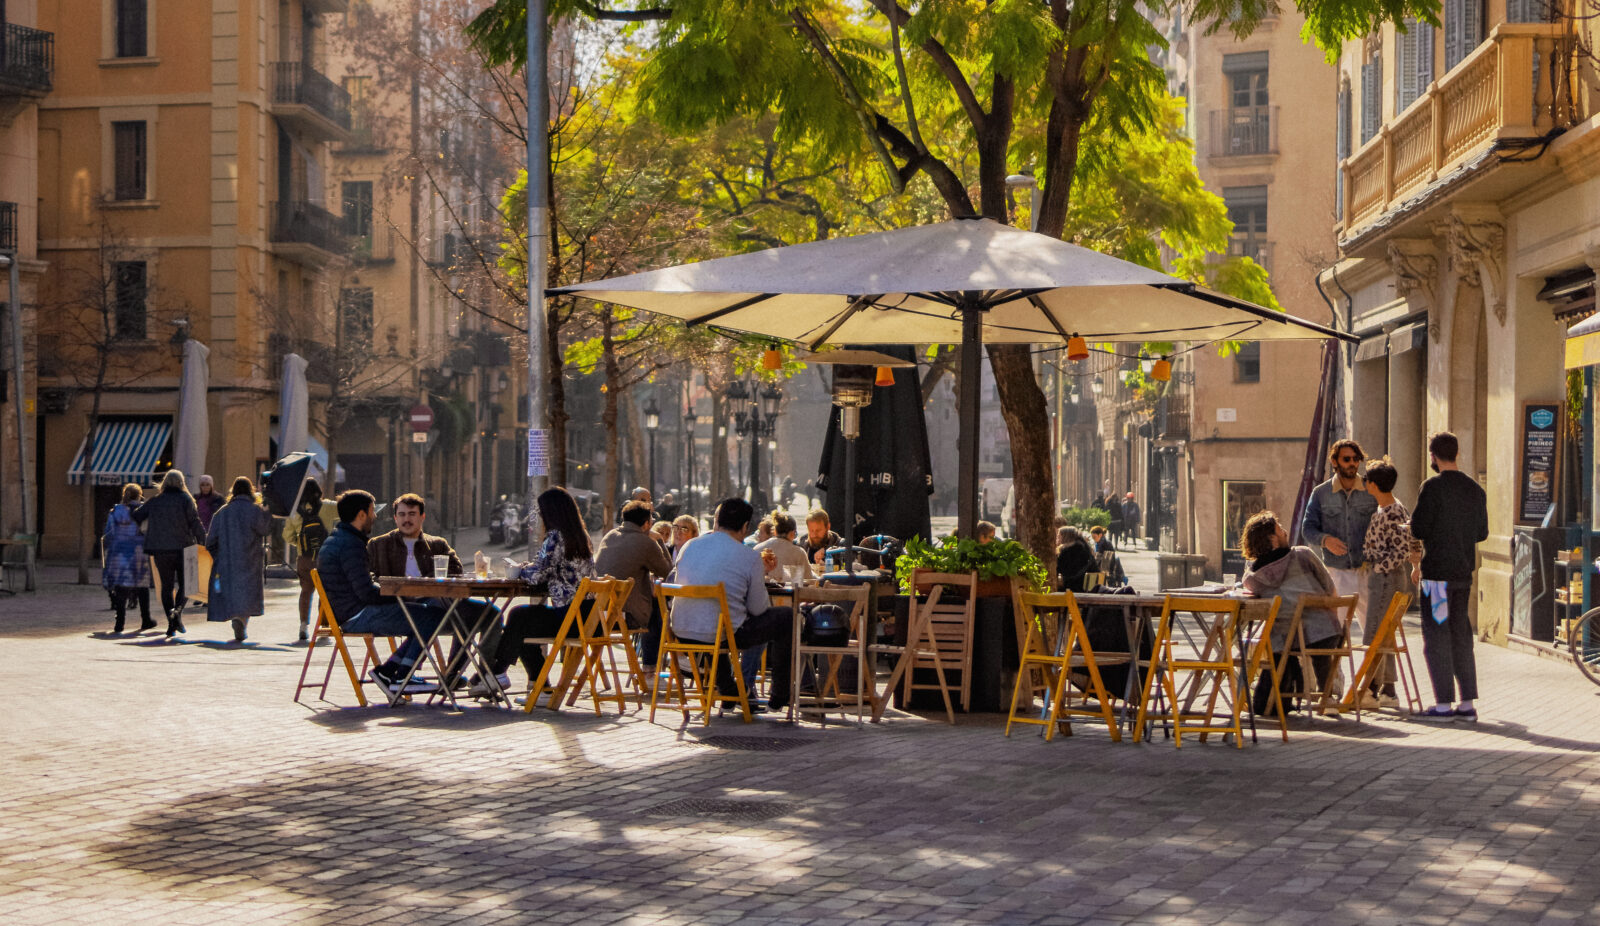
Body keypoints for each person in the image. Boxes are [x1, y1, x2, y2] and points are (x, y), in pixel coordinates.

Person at [317, 490, 449, 695]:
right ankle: (403, 676)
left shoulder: (337, 539)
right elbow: (366, 593)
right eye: (372, 511)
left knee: (424, 614)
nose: (375, 516)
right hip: (356, 616)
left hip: (345, 613)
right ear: (361, 515)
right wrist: (400, 597)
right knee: (431, 616)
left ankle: (388, 672)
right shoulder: (351, 544)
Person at [671, 498, 798, 711]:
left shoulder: (689, 546)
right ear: (745, 526)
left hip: (681, 630)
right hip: (718, 632)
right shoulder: (748, 556)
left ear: (717, 521)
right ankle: (779, 695)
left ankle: (731, 691)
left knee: (718, 621)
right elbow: (758, 609)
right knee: (785, 617)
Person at [368, 493, 501, 687]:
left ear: (422, 517)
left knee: (490, 613)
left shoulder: (438, 544)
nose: (406, 519)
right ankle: (450, 673)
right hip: (403, 608)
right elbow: (370, 579)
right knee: (454, 612)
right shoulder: (379, 545)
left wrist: (430, 581)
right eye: (402, 514)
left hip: (441, 604)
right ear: (395, 518)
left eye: (412, 514)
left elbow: (456, 570)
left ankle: (485, 675)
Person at [1408, 431, 1489, 722]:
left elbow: (1418, 528)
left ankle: (1443, 704)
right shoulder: (1475, 489)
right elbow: (1482, 532)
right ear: (1456, 453)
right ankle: (1466, 702)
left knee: (1437, 637)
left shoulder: (1431, 487)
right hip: (1462, 574)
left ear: (1433, 456)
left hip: (1437, 578)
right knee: (1461, 636)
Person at [489, 488, 596, 697]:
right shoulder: (581, 537)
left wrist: (519, 569)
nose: (539, 517)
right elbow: (552, 569)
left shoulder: (556, 537)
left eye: (540, 512)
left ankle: (500, 674)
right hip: (587, 616)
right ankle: (532, 684)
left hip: (570, 618)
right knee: (524, 619)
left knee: (519, 617)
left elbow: (537, 575)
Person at [1240, 510, 1341, 717]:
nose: (1285, 532)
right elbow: (1331, 590)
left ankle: (1273, 697)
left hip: (1283, 638)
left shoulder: (1253, 578)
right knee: (1322, 636)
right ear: (1272, 539)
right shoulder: (1302, 555)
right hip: (1321, 631)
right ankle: (1327, 694)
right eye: (1280, 529)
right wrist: (1334, 619)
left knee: (1277, 645)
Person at [1359, 459, 1423, 709]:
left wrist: (1379, 567)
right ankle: (1386, 689)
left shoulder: (1392, 511)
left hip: (1386, 578)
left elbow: (1402, 548)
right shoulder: (1389, 508)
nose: (1364, 483)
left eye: (1367, 479)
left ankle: (1371, 689)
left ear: (1374, 485)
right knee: (1384, 634)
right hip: (1385, 576)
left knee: (1375, 632)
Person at [1301, 439, 1377, 633]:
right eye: (1346, 459)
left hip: (1368, 571)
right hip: (1338, 573)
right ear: (1334, 461)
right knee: (1334, 630)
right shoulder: (1321, 493)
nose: (1352, 463)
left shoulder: (1371, 489)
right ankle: (1336, 656)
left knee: (1376, 633)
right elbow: (1308, 528)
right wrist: (1325, 540)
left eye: (1356, 459)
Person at [594, 500, 674, 670]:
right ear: (646, 524)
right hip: (624, 617)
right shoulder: (645, 543)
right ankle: (651, 666)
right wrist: (660, 541)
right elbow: (668, 572)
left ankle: (650, 666)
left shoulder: (610, 536)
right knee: (658, 607)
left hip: (598, 614)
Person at [132, 469, 207, 637]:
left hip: (161, 549)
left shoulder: (156, 500)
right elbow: (194, 521)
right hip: (184, 547)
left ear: (164, 482)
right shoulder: (186, 499)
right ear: (181, 482)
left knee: (166, 586)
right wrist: (204, 540)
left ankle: (171, 622)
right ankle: (177, 612)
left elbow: (137, 515)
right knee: (187, 584)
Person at [205, 477, 273, 643]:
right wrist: (268, 512)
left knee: (231, 592)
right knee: (247, 593)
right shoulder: (255, 511)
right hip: (250, 559)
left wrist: (219, 556)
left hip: (226, 560)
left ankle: (236, 618)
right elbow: (264, 529)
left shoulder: (221, 512)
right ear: (250, 491)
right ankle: (242, 621)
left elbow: (210, 541)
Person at [283, 478, 339, 642]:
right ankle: (324, 626)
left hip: (304, 558)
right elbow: (345, 511)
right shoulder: (328, 506)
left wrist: (300, 544)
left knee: (306, 591)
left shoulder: (294, 512)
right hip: (325, 557)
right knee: (325, 593)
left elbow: (287, 536)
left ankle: (303, 625)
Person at [101, 483, 154, 634]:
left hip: (119, 553)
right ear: (139, 494)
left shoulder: (116, 511)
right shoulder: (144, 511)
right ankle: (146, 619)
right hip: (139, 553)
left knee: (121, 588)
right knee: (142, 587)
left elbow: (109, 533)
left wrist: (109, 547)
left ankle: (120, 623)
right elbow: (148, 531)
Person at [755, 510, 810, 580]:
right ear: (792, 533)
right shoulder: (799, 553)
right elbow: (808, 578)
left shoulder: (757, 548)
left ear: (775, 531)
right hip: (789, 587)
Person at [1055, 526, 1095, 593]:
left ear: (1065, 537)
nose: (1057, 539)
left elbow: (1058, 569)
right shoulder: (1083, 547)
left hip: (1075, 587)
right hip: (1088, 586)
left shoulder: (1068, 551)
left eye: (1059, 536)